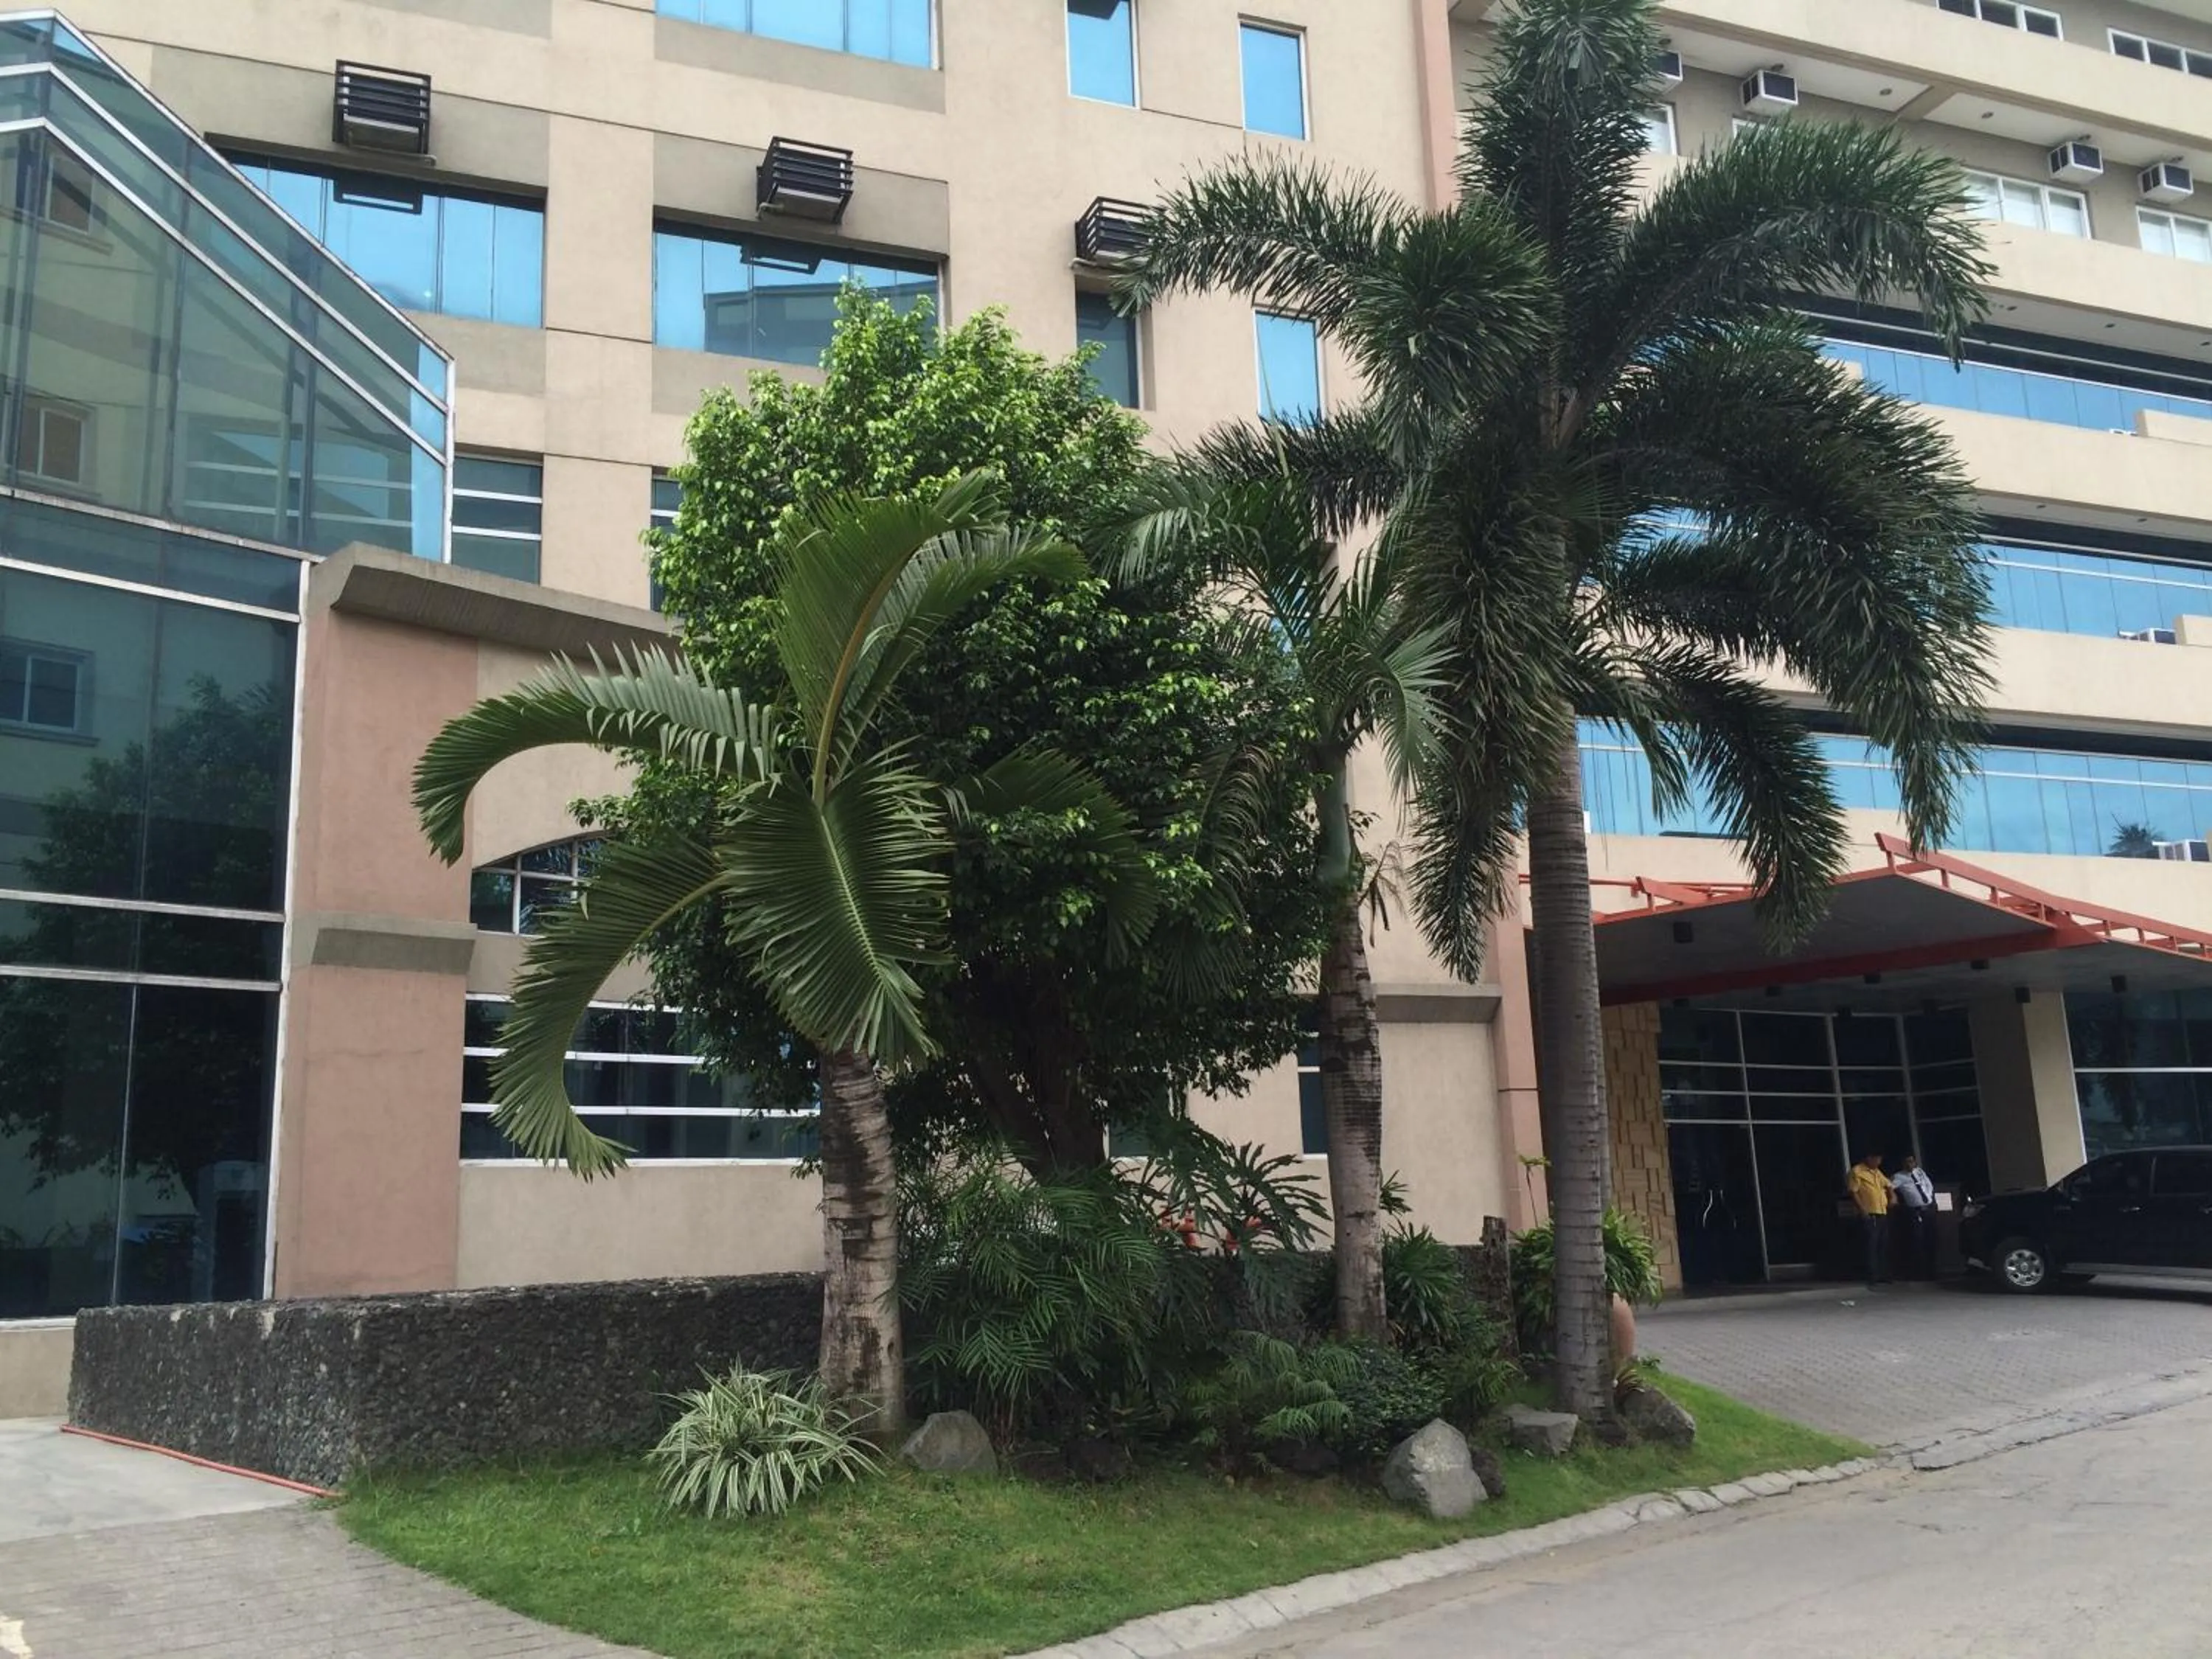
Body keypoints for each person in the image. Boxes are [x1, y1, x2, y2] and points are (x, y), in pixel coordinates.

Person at [1847, 1150, 1892, 1287]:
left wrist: (1893, 1196)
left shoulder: (1877, 1172)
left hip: (1882, 1211)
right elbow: (1853, 1192)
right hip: (1870, 1213)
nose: (1879, 1162)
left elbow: (1889, 1185)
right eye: (1877, 1159)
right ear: (1869, 1158)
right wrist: (1862, 1210)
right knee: (1871, 1245)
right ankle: (1872, 1276)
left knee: (1883, 1244)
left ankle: (1883, 1274)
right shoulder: (1857, 1171)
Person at [1891, 1152, 1937, 1279]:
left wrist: (1930, 1197)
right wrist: (1893, 1198)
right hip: (1915, 1211)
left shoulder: (1920, 1172)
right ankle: (1920, 1272)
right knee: (1918, 1241)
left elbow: (1928, 1184)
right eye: (1907, 1162)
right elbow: (1889, 1187)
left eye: (1911, 1161)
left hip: (1928, 1208)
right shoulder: (1899, 1176)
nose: (1910, 1164)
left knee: (1931, 1238)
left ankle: (1932, 1270)